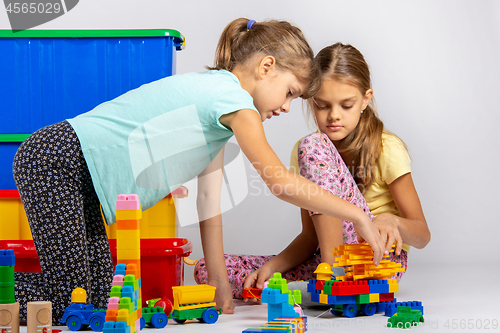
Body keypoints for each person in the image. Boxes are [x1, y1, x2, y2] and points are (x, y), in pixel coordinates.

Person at [13, 20, 385, 323]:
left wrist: (220, 283)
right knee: (70, 300)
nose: (288, 107)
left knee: (98, 298)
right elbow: (279, 182)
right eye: (289, 92)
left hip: (76, 177)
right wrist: (354, 212)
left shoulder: (217, 109)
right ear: (266, 67)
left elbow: (208, 200)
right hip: (56, 161)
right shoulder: (235, 103)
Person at [195, 42, 430, 300]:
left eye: (347, 105)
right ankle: (321, 279)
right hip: (327, 260)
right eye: (322, 106)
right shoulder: (306, 153)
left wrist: (392, 221)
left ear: (365, 100)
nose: (334, 116)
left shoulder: (386, 147)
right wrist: (272, 268)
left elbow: (422, 235)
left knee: (313, 144)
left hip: (377, 260)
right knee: (207, 270)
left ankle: (332, 280)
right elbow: (310, 237)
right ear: (311, 103)